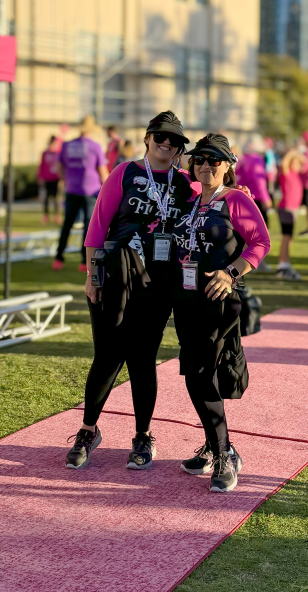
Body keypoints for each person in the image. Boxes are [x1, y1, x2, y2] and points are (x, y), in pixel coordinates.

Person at [65, 112, 193, 470]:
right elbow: (97, 226)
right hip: (114, 275)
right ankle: (88, 430)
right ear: (148, 137)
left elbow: (217, 196)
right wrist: (92, 275)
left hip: (157, 284)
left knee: (142, 359)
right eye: (162, 137)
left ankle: (142, 436)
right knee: (107, 356)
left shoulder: (186, 183)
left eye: (175, 140)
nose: (168, 144)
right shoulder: (124, 172)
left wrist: (238, 190)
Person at [173, 133, 270, 493]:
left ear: (228, 165)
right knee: (194, 375)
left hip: (218, 299)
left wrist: (231, 273)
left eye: (214, 160)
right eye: (199, 160)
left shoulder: (236, 200)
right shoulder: (193, 200)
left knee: (200, 373)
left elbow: (261, 242)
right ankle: (216, 444)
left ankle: (224, 453)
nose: (205, 165)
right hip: (186, 300)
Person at [52, 116, 108, 273]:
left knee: (67, 224)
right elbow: (103, 172)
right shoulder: (95, 146)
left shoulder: (67, 145)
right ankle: (84, 261)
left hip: (71, 189)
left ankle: (58, 258)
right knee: (88, 226)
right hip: (91, 191)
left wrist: (67, 179)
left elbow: (58, 166)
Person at [235, 131, 273, 272]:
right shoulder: (256, 159)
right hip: (254, 198)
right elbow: (259, 181)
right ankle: (255, 261)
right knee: (259, 235)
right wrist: (266, 198)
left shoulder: (243, 159)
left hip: (242, 198)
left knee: (244, 234)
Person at [275, 148, 303, 280]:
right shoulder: (286, 173)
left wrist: (297, 154)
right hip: (286, 208)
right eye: (295, 163)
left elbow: (306, 160)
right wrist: (292, 152)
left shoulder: (297, 175)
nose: (298, 166)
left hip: (293, 209)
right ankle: (283, 265)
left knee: (289, 237)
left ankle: (284, 263)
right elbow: (284, 163)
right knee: (286, 237)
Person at [36, 135, 61, 224]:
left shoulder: (58, 153)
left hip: (56, 179)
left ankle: (56, 216)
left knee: (56, 198)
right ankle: (46, 216)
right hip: (46, 178)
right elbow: (41, 166)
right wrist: (40, 177)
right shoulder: (45, 153)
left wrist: (61, 179)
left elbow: (61, 166)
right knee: (46, 198)